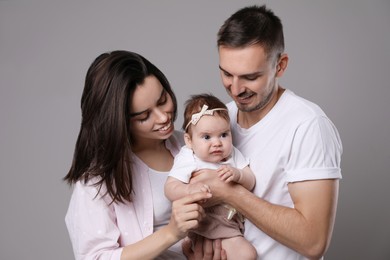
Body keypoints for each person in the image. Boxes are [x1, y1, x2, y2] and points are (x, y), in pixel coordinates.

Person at [186, 5, 343, 260]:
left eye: (250, 77)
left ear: (280, 66)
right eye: (226, 73)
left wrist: (230, 192)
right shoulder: (218, 119)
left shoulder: (308, 126)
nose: (235, 89)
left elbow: (314, 242)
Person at [63, 50, 226, 260]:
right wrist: (170, 233)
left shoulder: (193, 146)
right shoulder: (97, 179)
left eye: (162, 100)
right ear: (119, 122)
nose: (162, 117)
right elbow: (94, 258)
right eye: (144, 116)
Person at [165, 94, 257, 260]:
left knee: (248, 254)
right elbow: (170, 188)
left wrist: (238, 175)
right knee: (246, 255)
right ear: (189, 140)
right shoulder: (188, 156)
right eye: (207, 137)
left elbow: (250, 181)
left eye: (223, 135)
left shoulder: (233, 154)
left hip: (228, 225)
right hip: (201, 224)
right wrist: (188, 189)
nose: (217, 143)